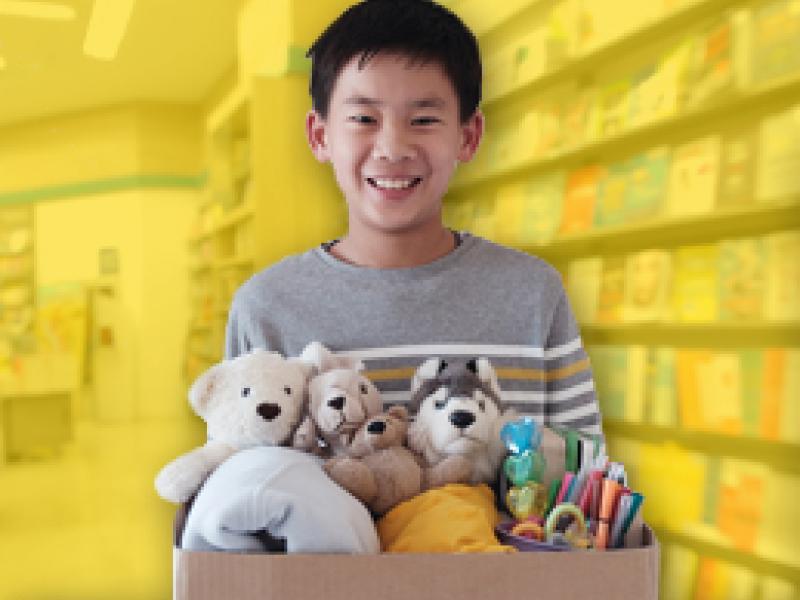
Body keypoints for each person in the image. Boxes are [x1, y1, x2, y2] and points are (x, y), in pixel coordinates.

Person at [225, 0, 603, 438]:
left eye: (423, 119)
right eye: (364, 118)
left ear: (468, 136)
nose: (392, 148)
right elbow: (235, 492)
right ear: (320, 135)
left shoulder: (533, 295)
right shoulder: (266, 309)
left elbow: (588, 488)